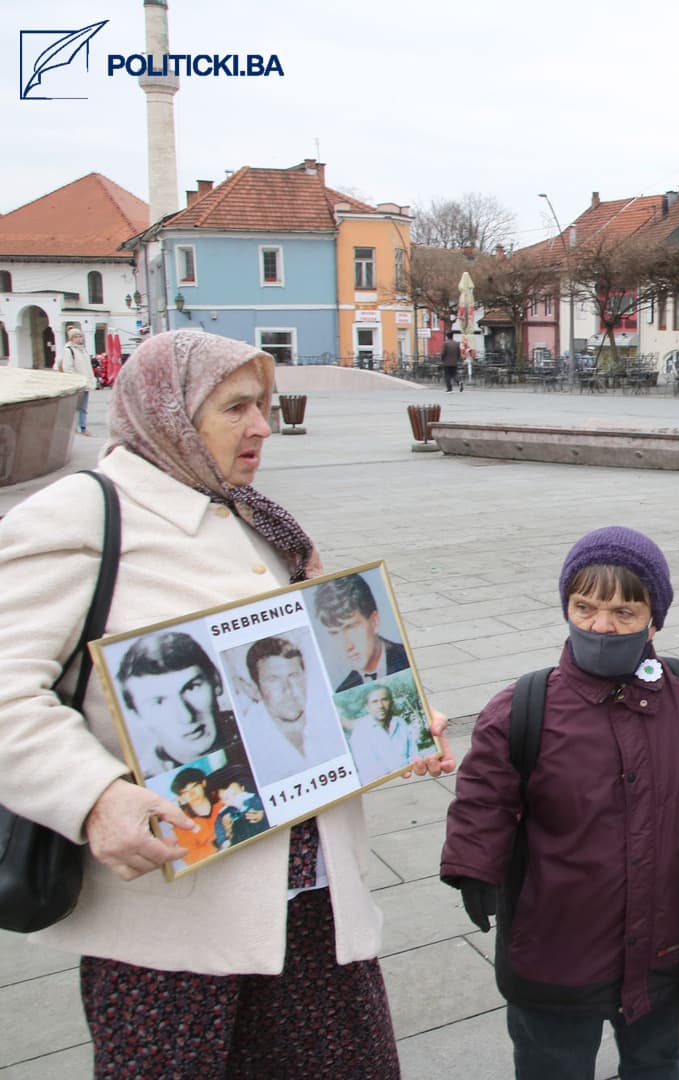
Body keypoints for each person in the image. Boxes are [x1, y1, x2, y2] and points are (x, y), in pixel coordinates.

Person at [0, 329, 454, 1076]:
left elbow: (311, 668)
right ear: (168, 413)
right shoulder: (84, 516)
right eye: (236, 407)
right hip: (173, 933)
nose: (261, 427)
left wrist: (391, 720)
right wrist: (92, 797)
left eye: (265, 405)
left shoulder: (258, 518)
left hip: (311, 905)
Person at [440, 526, 679, 1080]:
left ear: (654, 619)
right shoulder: (523, 707)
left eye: (624, 614)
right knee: (552, 1064)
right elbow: (484, 796)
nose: (601, 626)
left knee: (656, 1060)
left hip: (663, 939)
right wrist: (473, 867)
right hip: (557, 942)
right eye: (584, 608)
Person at [116, 631, 243, 777]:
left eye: (192, 687)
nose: (186, 716)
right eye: (159, 702)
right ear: (137, 716)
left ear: (216, 681)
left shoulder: (263, 728)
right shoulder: (142, 782)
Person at [240, 634, 351, 785]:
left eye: (293, 676)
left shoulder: (332, 720)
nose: (288, 689)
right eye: (273, 679)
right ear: (256, 689)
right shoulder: (251, 744)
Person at [315, 575, 411, 691]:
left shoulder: (408, 660)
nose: (347, 646)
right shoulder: (344, 690)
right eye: (335, 633)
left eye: (351, 627)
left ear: (374, 622)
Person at [345, 683, 427, 782]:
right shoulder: (360, 733)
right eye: (374, 702)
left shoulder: (399, 722)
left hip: (412, 778)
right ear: (367, 706)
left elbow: (414, 753)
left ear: (391, 702)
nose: (380, 706)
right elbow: (370, 771)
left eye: (384, 700)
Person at [61, 327, 94, 434]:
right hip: (78, 384)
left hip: (86, 383)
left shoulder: (83, 350)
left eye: (80, 336)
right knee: (76, 408)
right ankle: (74, 428)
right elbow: (67, 368)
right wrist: (78, 380)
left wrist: (91, 379)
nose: (79, 338)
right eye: (76, 337)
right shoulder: (69, 350)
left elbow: (87, 367)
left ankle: (83, 428)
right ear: (71, 338)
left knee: (83, 408)